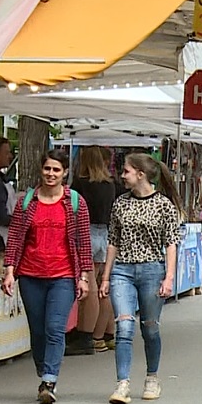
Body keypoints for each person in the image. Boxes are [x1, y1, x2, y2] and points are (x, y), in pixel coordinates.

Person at [1, 149, 93, 404]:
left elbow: (83, 243)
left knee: (55, 328)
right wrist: (9, 270)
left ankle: (49, 380)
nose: (51, 174)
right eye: (47, 169)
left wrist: (84, 276)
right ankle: (44, 368)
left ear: (65, 173)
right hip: (30, 274)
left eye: (56, 170)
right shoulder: (27, 201)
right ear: (41, 170)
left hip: (63, 275)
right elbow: (16, 237)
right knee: (38, 330)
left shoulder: (75, 202)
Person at [101, 154, 183, 404]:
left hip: (151, 270)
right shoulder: (120, 204)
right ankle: (122, 383)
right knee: (124, 327)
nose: (122, 175)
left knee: (149, 326)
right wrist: (106, 277)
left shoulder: (163, 205)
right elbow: (113, 241)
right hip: (122, 270)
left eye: (126, 171)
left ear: (140, 174)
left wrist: (169, 277)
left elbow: (171, 243)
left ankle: (152, 377)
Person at [68, 146, 118, 355]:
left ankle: (87, 335)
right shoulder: (111, 184)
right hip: (104, 234)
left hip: (86, 233)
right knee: (102, 286)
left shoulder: (80, 184)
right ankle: (105, 333)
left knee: (88, 287)